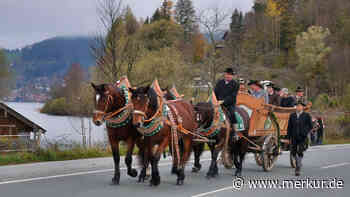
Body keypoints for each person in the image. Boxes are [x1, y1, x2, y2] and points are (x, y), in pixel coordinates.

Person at [287, 101, 313, 176]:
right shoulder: (292, 115)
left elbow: (310, 126)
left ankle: (297, 168)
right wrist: (288, 138)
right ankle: (298, 162)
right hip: (294, 136)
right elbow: (289, 127)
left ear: (302, 107)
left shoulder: (306, 115)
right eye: (297, 106)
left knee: (300, 151)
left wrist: (305, 132)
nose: (298, 107)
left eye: (300, 106)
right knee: (293, 152)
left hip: (303, 136)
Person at [214, 68, 240, 135]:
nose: (228, 76)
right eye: (227, 74)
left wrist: (223, 101)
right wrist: (215, 100)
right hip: (218, 103)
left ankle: (235, 131)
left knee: (232, 113)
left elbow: (233, 96)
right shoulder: (220, 82)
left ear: (232, 76)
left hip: (229, 104)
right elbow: (215, 92)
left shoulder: (235, 84)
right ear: (225, 74)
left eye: (230, 75)